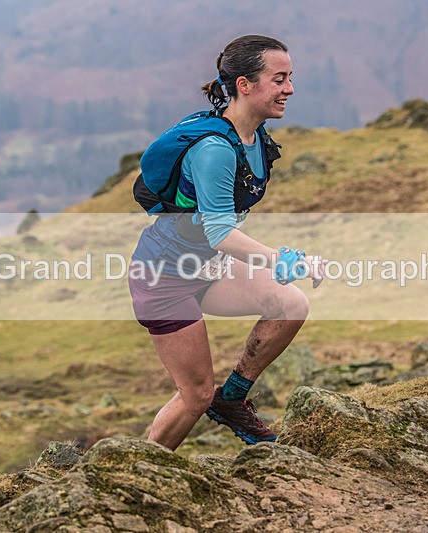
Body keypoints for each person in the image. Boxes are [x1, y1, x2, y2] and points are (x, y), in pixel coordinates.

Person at [128, 35, 325, 451]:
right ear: (244, 85)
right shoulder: (215, 149)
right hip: (164, 277)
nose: (290, 88)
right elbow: (219, 232)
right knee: (195, 395)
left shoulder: (254, 139)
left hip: (207, 267)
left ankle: (232, 399)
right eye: (279, 79)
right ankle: (138, 471)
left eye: (290, 78)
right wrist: (282, 258)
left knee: (290, 305)